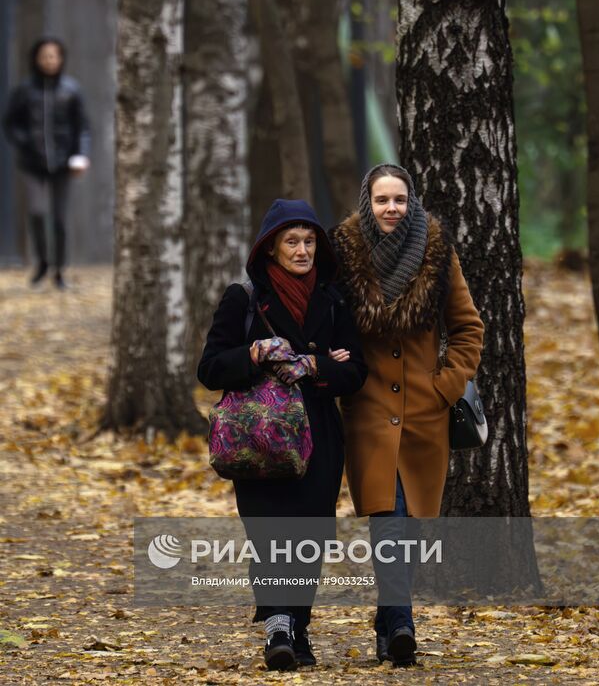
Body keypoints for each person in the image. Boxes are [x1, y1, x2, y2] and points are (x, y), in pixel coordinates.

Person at [197, 198, 367, 672]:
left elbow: (356, 371)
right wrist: (253, 354)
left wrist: (316, 366)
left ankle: (299, 626)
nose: (302, 251)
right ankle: (277, 625)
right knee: (270, 535)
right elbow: (209, 368)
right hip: (259, 436)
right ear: (270, 248)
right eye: (292, 242)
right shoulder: (244, 298)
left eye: (309, 241)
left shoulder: (333, 299)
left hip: (319, 437)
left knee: (310, 535)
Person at [330, 163, 484, 667]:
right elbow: (326, 320)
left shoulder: (437, 254)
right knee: (388, 519)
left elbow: (468, 328)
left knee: (409, 524)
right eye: (382, 200)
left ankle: (388, 621)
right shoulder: (345, 255)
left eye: (399, 199)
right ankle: (401, 624)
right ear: (367, 203)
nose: (391, 208)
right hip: (369, 411)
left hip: (424, 413)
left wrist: (445, 387)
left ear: (411, 201)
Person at [2, 37, 91, 288]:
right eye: (44, 56)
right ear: (36, 59)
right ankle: (42, 263)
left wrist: (81, 155)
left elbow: (83, 127)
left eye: (54, 56)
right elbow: (10, 123)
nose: (49, 61)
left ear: (61, 58)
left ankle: (59, 270)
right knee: (38, 212)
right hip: (32, 164)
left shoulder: (71, 90)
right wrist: (26, 142)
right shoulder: (24, 90)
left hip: (63, 164)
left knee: (60, 218)